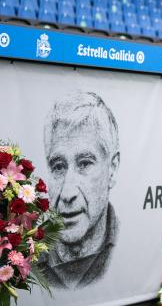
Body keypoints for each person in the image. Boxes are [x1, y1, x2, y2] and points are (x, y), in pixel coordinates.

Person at [42, 91, 120, 289]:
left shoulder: (130, 245)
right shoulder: (26, 252)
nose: (68, 193)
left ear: (112, 169)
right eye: (58, 166)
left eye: (84, 164)